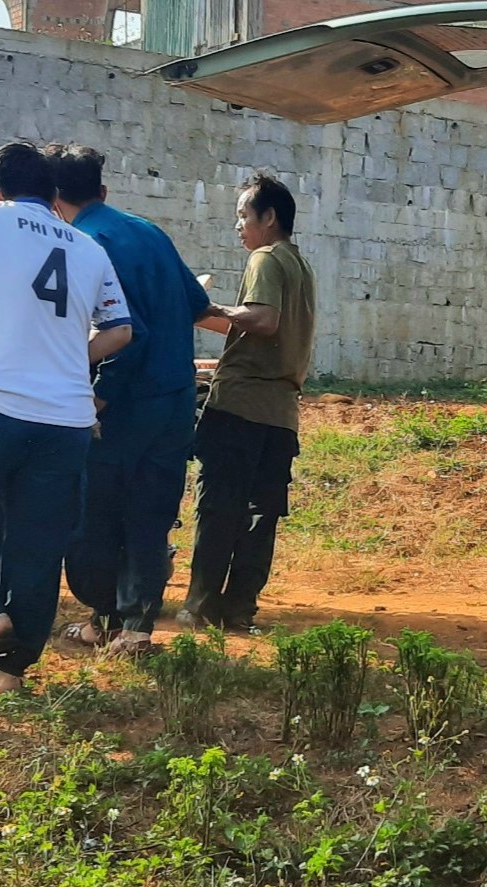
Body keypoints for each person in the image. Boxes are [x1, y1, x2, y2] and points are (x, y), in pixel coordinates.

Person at [0, 142, 133, 694]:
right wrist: (65, 357)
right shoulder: (88, 247)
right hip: (66, 419)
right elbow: (120, 330)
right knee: (39, 545)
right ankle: (10, 675)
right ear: (53, 196)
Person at [46, 145, 211, 658]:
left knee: (100, 514)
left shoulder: (83, 244)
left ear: (54, 198)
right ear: (102, 190)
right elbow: (197, 305)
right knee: (149, 514)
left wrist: (100, 396)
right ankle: (133, 629)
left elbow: (123, 332)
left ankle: (102, 617)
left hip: (124, 404)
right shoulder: (149, 231)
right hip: (175, 399)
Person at [180, 173, 316, 633]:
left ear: (269, 217)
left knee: (219, 506)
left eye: (243, 215)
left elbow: (262, 320)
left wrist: (213, 307)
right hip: (281, 413)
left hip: (239, 406)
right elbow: (256, 325)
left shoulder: (265, 257)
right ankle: (239, 610)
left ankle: (198, 606)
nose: (239, 225)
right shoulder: (298, 265)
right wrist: (209, 317)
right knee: (262, 515)